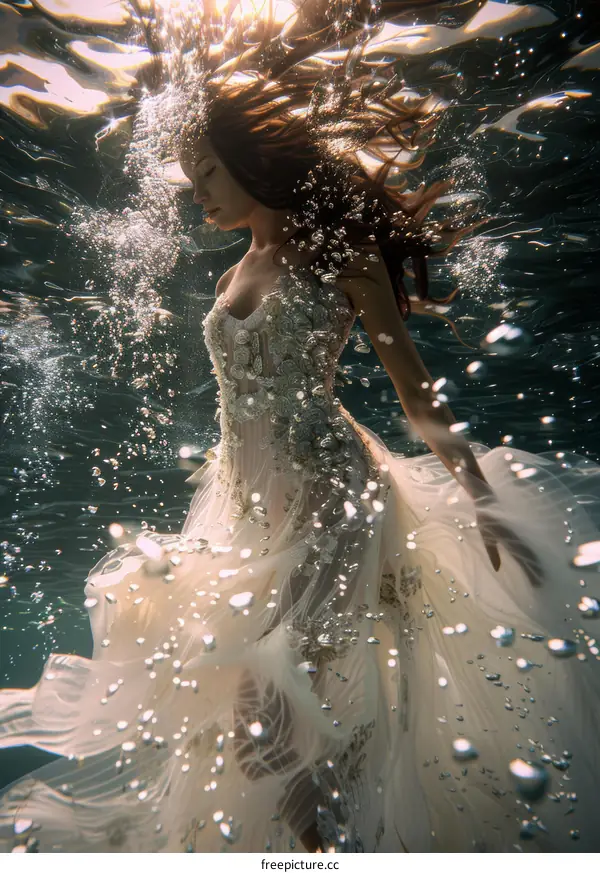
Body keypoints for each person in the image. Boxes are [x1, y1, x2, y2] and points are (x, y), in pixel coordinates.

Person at [1, 70, 600, 855]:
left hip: (331, 497)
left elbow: (416, 395)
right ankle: (320, 845)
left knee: (276, 693)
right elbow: (242, 401)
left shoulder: (343, 259)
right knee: (259, 709)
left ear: (253, 161)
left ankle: (316, 849)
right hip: (244, 508)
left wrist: (483, 498)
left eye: (208, 170)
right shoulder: (228, 274)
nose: (195, 191)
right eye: (190, 174)